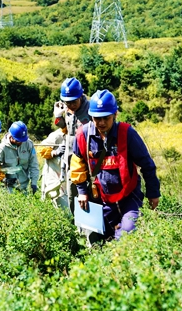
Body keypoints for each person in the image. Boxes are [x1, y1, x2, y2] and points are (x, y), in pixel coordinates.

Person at [69, 90, 160, 241]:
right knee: (98, 240)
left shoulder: (127, 134)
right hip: (101, 199)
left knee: (127, 234)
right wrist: (82, 192)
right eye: (97, 119)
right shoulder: (83, 135)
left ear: (115, 114)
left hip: (129, 196)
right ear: (91, 116)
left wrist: (153, 192)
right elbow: (77, 164)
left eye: (106, 118)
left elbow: (147, 164)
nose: (102, 123)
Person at [59, 78, 91, 213]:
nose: (71, 105)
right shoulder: (66, 110)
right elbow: (65, 130)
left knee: (90, 197)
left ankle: (92, 231)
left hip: (89, 163)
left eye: (74, 101)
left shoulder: (91, 110)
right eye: (67, 102)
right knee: (72, 197)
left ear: (81, 96)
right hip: (71, 162)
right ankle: (77, 227)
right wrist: (59, 118)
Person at [0, 121, 39, 193]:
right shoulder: (2, 148)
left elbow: (34, 164)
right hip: (8, 187)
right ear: (11, 137)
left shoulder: (28, 144)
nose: (21, 142)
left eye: (22, 140)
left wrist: (34, 183)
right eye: (18, 140)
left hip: (24, 185)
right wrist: (3, 179)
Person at [37, 102, 70, 212]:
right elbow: (41, 150)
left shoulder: (80, 135)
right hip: (55, 180)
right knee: (57, 209)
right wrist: (55, 152)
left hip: (70, 181)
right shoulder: (57, 136)